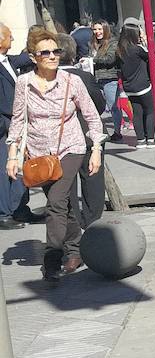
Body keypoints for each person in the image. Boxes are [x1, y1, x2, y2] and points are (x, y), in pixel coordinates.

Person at [5, 28, 103, 283]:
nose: (52, 56)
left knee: (56, 202)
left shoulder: (72, 82)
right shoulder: (24, 84)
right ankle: (75, 250)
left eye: (56, 51)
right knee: (64, 205)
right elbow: (18, 121)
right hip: (39, 155)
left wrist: (96, 151)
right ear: (33, 57)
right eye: (45, 52)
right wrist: (12, 156)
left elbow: (92, 117)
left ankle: (51, 259)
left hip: (71, 148)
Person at [56, 34, 107, 231]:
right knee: (93, 180)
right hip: (87, 135)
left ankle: (74, 222)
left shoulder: (43, 79)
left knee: (66, 185)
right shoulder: (84, 77)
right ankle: (92, 222)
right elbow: (100, 105)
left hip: (61, 142)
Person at [0, 23, 33, 230]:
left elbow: (25, 57)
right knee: (5, 169)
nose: (12, 40)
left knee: (20, 165)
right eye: (9, 36)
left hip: (16, 123)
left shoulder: (8, 61)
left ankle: (20, 208)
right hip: (4, 125)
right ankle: (4, 213)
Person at [115, 24, 155, 149]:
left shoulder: (119, 50)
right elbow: (151, 56)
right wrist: (144, 41)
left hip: (129, 87)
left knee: (137, 113)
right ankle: (150, 140)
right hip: (143, 85)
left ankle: (141, 140)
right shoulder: (137, 49)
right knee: (149, 111)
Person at [90, 21, 123, 142]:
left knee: (113, 106)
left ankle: (117, 132)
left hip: (110, 78)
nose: (97, 32)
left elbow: (110, 59)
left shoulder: (113, 42)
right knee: (94, 107)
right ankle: (97, 132)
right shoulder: (92, 44)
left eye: (99, 29)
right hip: (95, 78)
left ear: (105, 29)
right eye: (95, 29)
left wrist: (94, 59)